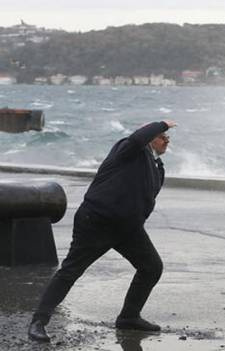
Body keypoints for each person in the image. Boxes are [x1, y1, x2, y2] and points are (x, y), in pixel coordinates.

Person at [28, 120, 177, 342]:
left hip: (127, 228)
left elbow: (147, 199)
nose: (166, 140)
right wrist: (161, 123)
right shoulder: (127, 149)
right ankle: (38, 322)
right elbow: (137, 138)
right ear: (149, 137)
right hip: (96, 222)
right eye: (161, 136)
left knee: (151, 267)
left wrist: (137, 220)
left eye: (168, 137)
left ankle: (129, 317)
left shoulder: (157, 167)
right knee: (71, 270)